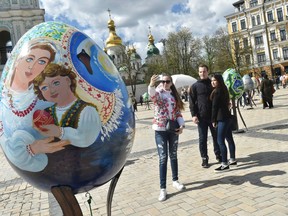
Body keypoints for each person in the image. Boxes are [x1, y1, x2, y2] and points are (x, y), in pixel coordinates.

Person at [0, 41, 70, 172]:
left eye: (42, 62)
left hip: (57, 168)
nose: (32, 66)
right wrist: (32, 149)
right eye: (30, 58)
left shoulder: (45, 101)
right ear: (17, 60)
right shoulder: (3, 98)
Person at [32, 63, 101, 148]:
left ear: (68, 81)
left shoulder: (87, 110)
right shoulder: (47, 112)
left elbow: (87, 139)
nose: (51, 90)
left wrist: (59, 132)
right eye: (44, 88)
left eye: (56, 83)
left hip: (82, 159)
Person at [148, 74, 185, 202]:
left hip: (173, 129)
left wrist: (182, 125)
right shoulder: (158, 93)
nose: (165, 83)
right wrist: (151, 84)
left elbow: (178, 112)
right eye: (163, 81)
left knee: (173, 155)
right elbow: (152, 96)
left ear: (171, 83)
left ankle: (175, 180)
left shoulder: (174, 96)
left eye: (167, 81)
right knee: (163, 158)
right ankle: (163, 188)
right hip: (160, 129)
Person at [188, 64, 221, 168]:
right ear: (198, 73)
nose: (202, 73)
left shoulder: (212, 84)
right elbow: (192, 102)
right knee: (202, 139)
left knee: (216, 137)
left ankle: (218, 154)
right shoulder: (194, 86)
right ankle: (204, 158)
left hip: (213, 117)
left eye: (204, 71)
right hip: (201, 117)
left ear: (208, 72)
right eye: (200, 72)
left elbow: (219, 96)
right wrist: (193, 115)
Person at [210, 74, 237, 172]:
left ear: (219, 81)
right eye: (212, 80)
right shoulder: (224, 89)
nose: (213, 82)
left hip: (221, 118)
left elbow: (214, 107)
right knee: (229, 139)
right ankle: (232, 159)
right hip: (228, 117)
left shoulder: (217, 91)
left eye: (214, 80)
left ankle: (224, 164)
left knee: (220, 141)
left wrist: (213, 120)